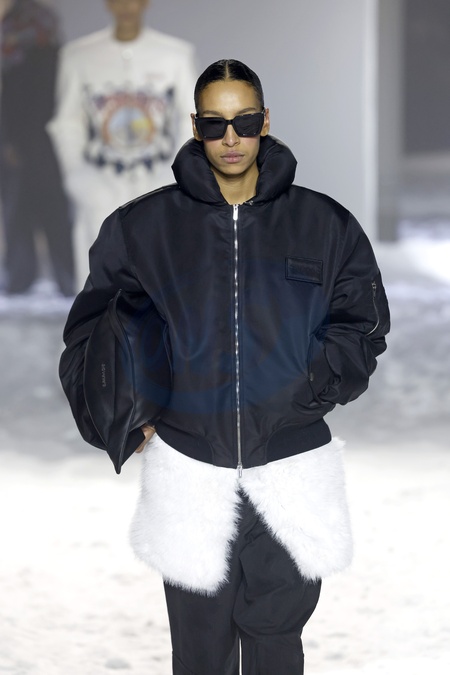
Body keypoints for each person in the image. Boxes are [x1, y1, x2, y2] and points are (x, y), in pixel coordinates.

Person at [59, 59, 390, 674]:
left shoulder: (324, 224)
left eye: (244, 121)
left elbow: (363, 324)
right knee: (201, 655)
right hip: (191, 469)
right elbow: (92, 332)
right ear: (195, 126)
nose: (230, 138)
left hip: (290, 465)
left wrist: (312, 386)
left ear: (266, 121)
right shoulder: (143, 227)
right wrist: (126, 418)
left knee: (276, 642)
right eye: (215, 124)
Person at [47, 0, 197, 291]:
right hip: (101, 181)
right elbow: (67, 124)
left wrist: (176, 176)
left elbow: (189, 120)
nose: (127, 5)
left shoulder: (175, 55)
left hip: (159, 181)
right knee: (100, 284)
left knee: (161, 280)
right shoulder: (79, 56)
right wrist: (79, 177)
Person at [0, 0, 74, 296]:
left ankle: (60, 278)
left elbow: (36, 103)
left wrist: (13, 142)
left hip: (39, 144)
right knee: (24, 211)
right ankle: (29, 278)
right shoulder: (17, 54)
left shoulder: (32, 52)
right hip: (26, 144)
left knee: (42, 210)